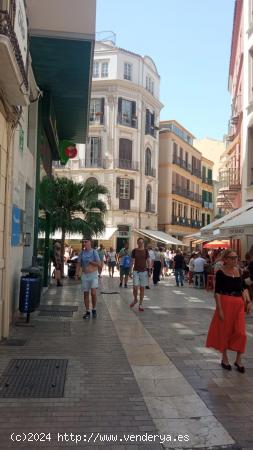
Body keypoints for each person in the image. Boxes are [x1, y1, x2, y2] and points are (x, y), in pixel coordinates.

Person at [206, 249, 251, 373]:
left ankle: (238, 359)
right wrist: (219, 309)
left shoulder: (239, 271)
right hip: (225, 304)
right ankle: (224, 358)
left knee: (241, 333)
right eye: (232, 258)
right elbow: (217, 292)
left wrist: (249, 302)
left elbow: (243, 287)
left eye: (236, 257)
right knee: (225, 331)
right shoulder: (220, 273)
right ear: (225, 259)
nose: (235, 260)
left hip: (238, 305)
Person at [75, 237, 101, 320]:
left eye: (86, 241)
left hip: (93, 275)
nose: (84, 243)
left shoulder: (94, 252)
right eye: (83, 242)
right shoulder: (82, 253)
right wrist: (76, 274)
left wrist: (91, 262)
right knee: (86, 293)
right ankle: (87, 311)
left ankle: (94, 308)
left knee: (93, 293)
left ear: (90, 242)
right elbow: (79, 264)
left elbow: (99, 264)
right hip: (85, 275)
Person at [130, 238, 150, 311]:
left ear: (143, 243)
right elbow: (132, 261)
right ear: (137, 243)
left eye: (141, 242)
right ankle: (135, 299)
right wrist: (130, 271)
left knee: (142, 288)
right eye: (139, 242)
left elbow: (148, 260)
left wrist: (149, 270)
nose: (140, 243)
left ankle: (140, 304)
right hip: (136, 271)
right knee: (135, 287)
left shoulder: (146, 251)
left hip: (144, 272)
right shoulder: (134, 251)